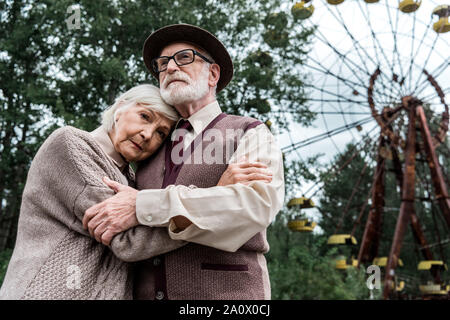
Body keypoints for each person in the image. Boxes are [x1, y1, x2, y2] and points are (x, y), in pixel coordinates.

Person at [0, 84, 270, 300]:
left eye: (161, 133)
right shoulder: (72, 145)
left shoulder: (130, 179)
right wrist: (215, 198)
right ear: (120, 107)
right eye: (144, 117)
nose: (147, 134)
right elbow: (129, 240)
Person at [83, 24, 285, 300]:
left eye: (185, 58)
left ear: (213, 74)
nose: (170, 68)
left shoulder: (249, 132)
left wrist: (142, 205)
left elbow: (253, 209)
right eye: (163, 63)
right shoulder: (148, 145)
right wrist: (217, 194)